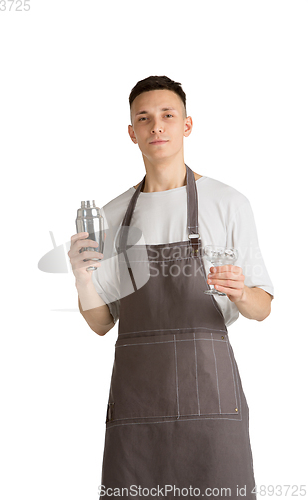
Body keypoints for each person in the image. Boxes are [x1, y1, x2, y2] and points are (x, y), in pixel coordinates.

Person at [68, 76, 274, 499]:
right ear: (132, 132)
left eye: (167, 115)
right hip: (137, 408)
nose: (156, 127)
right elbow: (101, 323)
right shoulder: (111, 215)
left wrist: (240, 292)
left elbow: (262, 307)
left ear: (187, 125)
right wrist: (82, 277)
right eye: (144, 119)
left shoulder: (227, 202)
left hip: (211, 404)